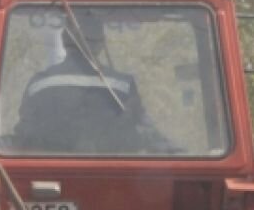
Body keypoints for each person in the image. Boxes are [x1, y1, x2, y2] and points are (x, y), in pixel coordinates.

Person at [13, 10, 154, 153]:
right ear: (101, 43)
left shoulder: (39, 85)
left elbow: (25, 137)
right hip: (116, 171)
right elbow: (139, 134)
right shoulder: (124, 85)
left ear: (64, 41)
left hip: (50, 172)